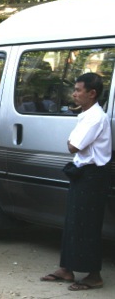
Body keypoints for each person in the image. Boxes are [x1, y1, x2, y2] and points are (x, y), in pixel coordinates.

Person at [40, 73, 111, 291]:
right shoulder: (86, 115)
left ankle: (93, 275)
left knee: (87, 224)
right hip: (82, 173)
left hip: (92, 175)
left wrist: (71, 141)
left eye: (79, 90)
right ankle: (67, 267)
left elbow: (73, 146)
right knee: (73, 221)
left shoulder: (95, 118)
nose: (75, 94)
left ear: (92, 93)